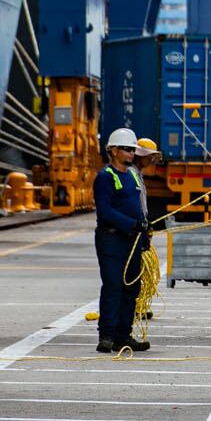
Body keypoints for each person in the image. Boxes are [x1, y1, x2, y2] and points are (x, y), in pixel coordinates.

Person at [93, 128, 152, 355]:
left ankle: (123, 335)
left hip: (134, 239)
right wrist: (131, 224)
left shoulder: (134, 175)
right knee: (113, 285)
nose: (131, 153)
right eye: (127, 149)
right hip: (111, 239)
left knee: (131, 287)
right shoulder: (106, 177)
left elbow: (139, 205)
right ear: (113, 151)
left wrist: (145, 227)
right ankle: (106, 335)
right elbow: (105, 210)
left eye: (132, 150)